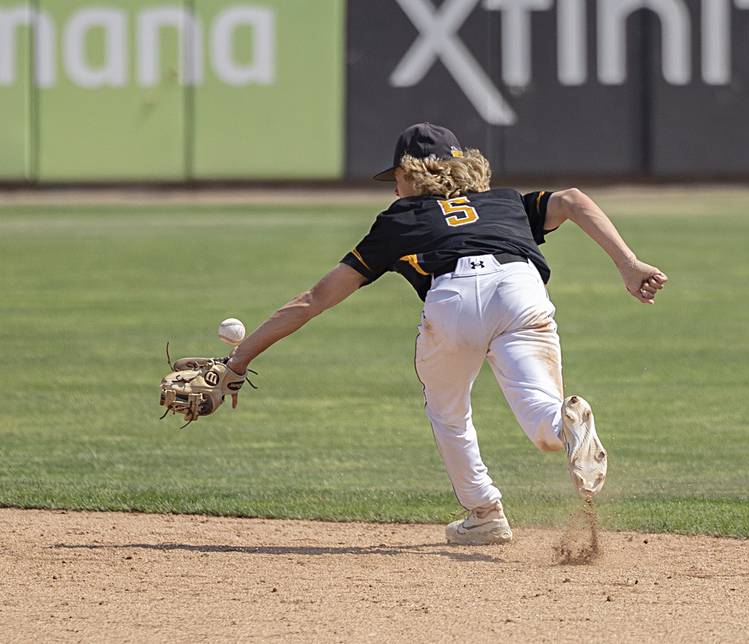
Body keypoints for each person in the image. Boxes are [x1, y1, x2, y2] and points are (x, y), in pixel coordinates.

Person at [226, 123, 668, 545]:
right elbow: (571, 199)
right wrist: (629, 265)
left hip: (453, 297)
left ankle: (484, 513)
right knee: (546, 422)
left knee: (448, 412)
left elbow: (316, 298)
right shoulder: (506, 202)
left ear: (408, 174)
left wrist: (239, 360)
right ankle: (567, 427)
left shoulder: (399, 218)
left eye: (395, 178)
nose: (395, 188)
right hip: (521, 288)